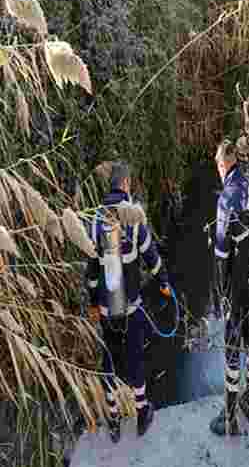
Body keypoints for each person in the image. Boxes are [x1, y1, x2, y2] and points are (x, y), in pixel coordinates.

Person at [85, 162, 171, 443]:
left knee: (109, 361)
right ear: (125, 185)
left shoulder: (96, 220)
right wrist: (164, 284)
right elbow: (151, 257)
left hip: (109, 308)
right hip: (131, 306)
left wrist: (93, 303)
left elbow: (92, 269)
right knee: (134, 359)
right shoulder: (133, 217)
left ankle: (112, 420)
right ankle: (142, 412)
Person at [210, 139, 249, 435]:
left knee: (231, 345)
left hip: (236, 287)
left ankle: (229, 417)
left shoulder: (226, 199)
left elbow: (221, 253)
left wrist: (221, 294)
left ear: (221, 165)